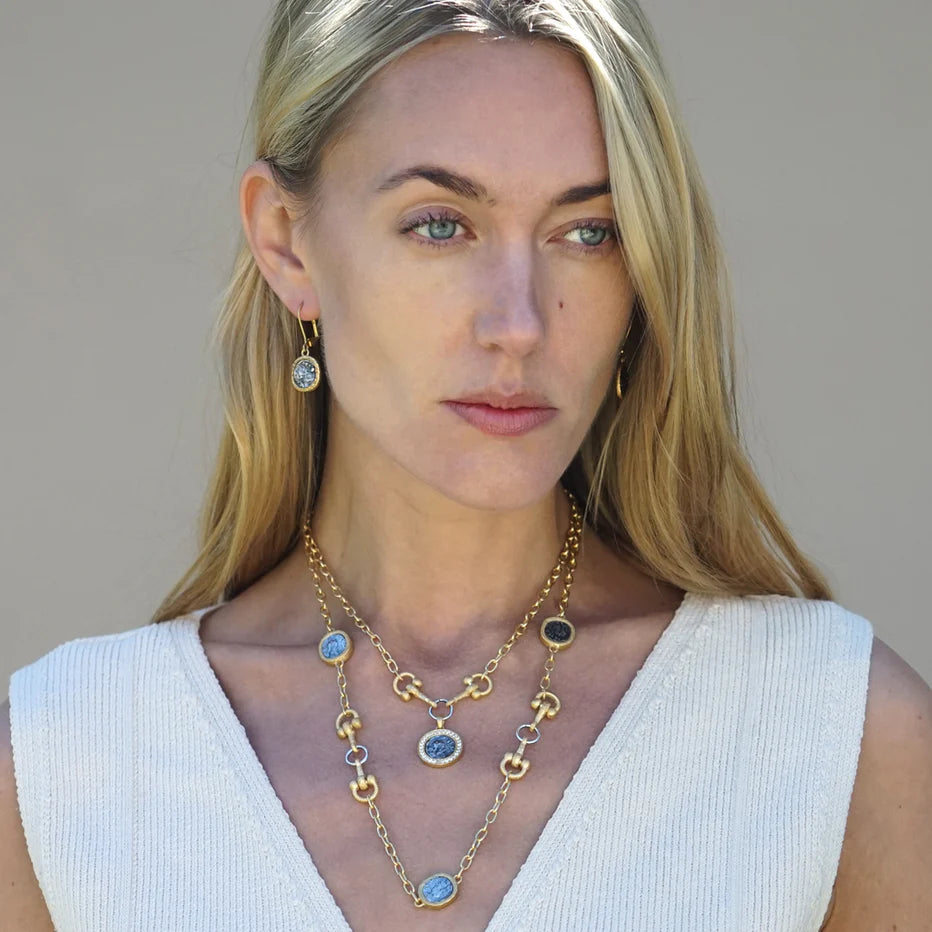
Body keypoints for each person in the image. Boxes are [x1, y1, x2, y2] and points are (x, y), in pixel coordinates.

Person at [3, 1, 930, 929]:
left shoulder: (838, 737)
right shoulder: (61, 765)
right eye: (441, 225)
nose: (519, 324)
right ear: (285, 241)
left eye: (589, 231)